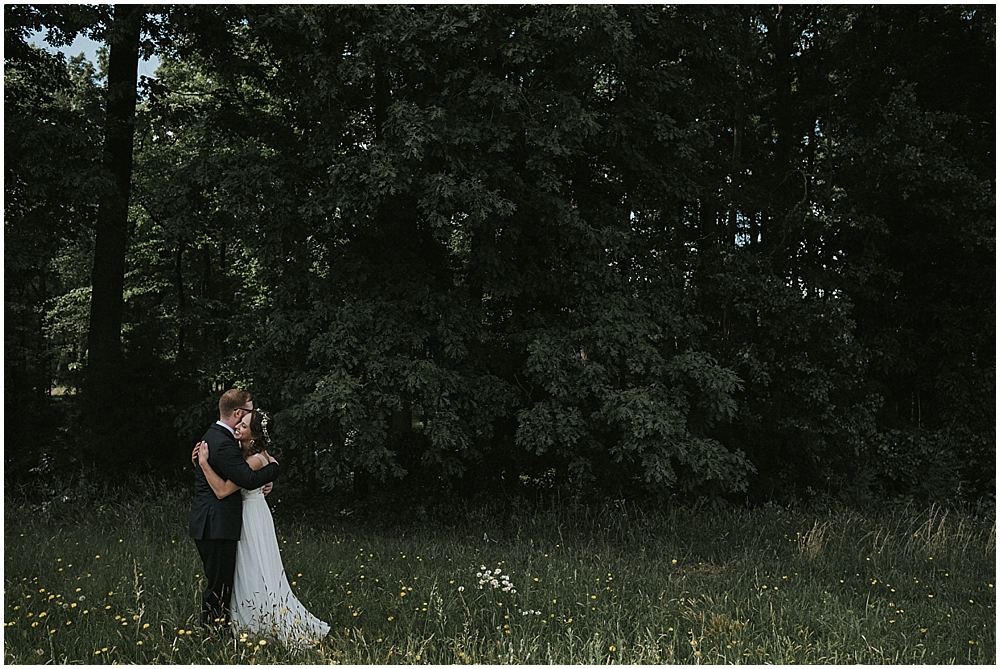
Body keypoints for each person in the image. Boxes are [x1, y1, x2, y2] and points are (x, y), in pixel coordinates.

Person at [194, 408, 330, 649]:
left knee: (255, 568)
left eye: (244, 426)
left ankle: (261, 623)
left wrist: (204, 464)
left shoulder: (253, 461)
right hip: (249, 514)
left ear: (254, 436)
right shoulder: (247, 455)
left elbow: (223, 491)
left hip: (252, 518)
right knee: (248, 569)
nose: (238, 427)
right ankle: (249, 621)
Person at [189, 389, 280, 629]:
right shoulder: (223, 442)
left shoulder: (220, 437)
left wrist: (264, 467)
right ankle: (212, 632)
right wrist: (274, 467)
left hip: (219, 522)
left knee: (227, 581)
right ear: (239, 412)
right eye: (249, 411)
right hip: (215, 524)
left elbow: (247, 469)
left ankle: (230, 625)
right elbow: (247, 480)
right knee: (219, 585)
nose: (250, 416)